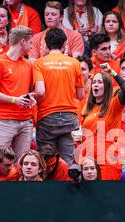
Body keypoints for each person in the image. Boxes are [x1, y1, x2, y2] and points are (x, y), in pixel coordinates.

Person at [34, 28, 84, 165]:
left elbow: (40, 92)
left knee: (45, 161)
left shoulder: (39, 63)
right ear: (64, 45)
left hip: (47, 117)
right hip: (70, 117)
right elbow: (80, 95)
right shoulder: (75, 63)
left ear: (46, 44)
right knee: (67, 161)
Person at [0, 26, 36, 161]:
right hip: (5, 120)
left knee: (21, 164)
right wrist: (14, 100)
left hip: (26, 120)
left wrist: (31, 96)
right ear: (22, 42)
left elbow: (30, 89)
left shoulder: (28, 64)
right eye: (30, 42)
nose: (31, 46)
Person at [79, 63, 125, 180]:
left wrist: (112, 72)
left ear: (107, 86)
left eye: (100, 82)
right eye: (94, 83)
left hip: (108, 162)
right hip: (89, 163)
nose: (95, 85)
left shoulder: (113, 105)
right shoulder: (86, 108)